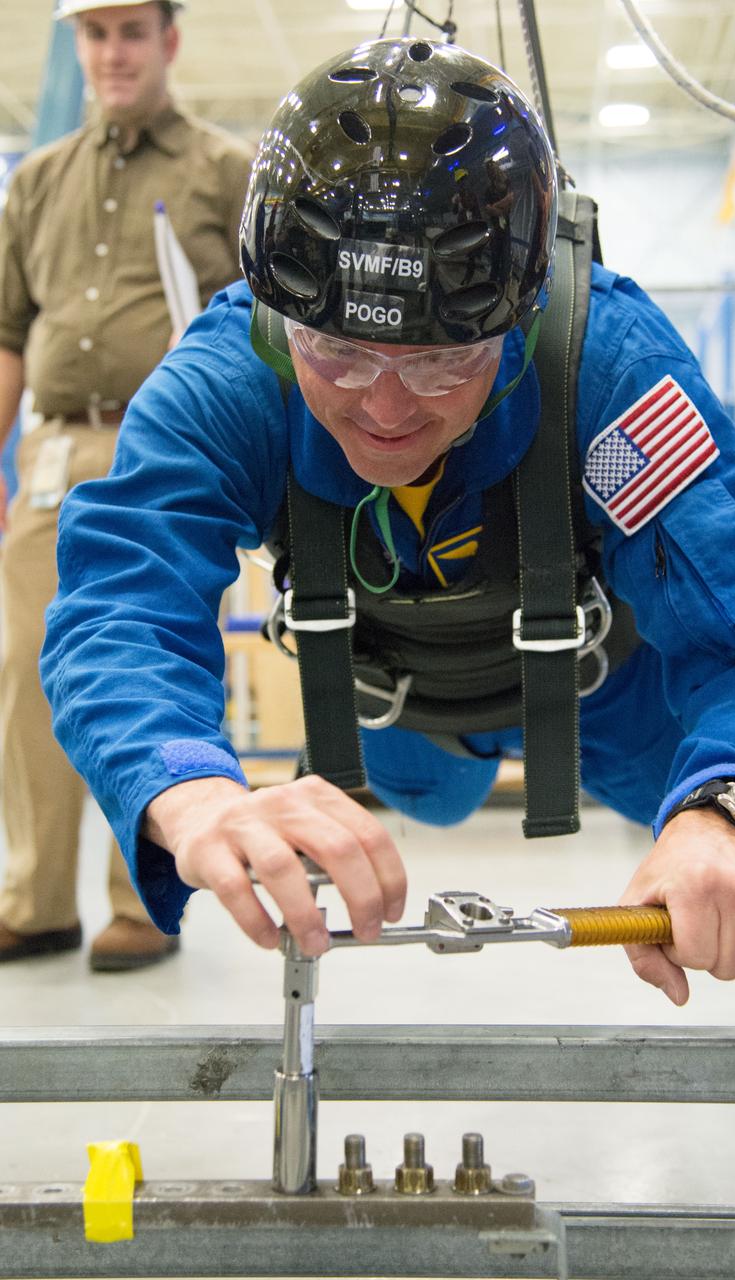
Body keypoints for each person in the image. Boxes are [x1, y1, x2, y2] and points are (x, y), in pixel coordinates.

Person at [41, 37, 735, 1005]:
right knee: (423, 792)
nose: (384, 409)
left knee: (706, 813)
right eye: (337, 353)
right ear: (280, 312)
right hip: (390, 717)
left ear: (519, 315)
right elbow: (120, 609)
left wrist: (729, 812)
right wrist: (189, 785)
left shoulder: (608, 377)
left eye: (439, 361)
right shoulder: (230, 379)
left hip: (610, 701)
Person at [0, 0, 254, 969]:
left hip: (171, 459)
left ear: (167, 40)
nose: (113, 52)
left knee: (159, 662)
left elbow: (267, 330)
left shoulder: (224, 172)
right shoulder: (37, 181)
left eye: (131, 32)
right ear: (79, 45)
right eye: (95, 34)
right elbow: (8, 335)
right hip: (54, 452)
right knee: (28, 672)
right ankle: (34, 898)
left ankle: (142, 899)